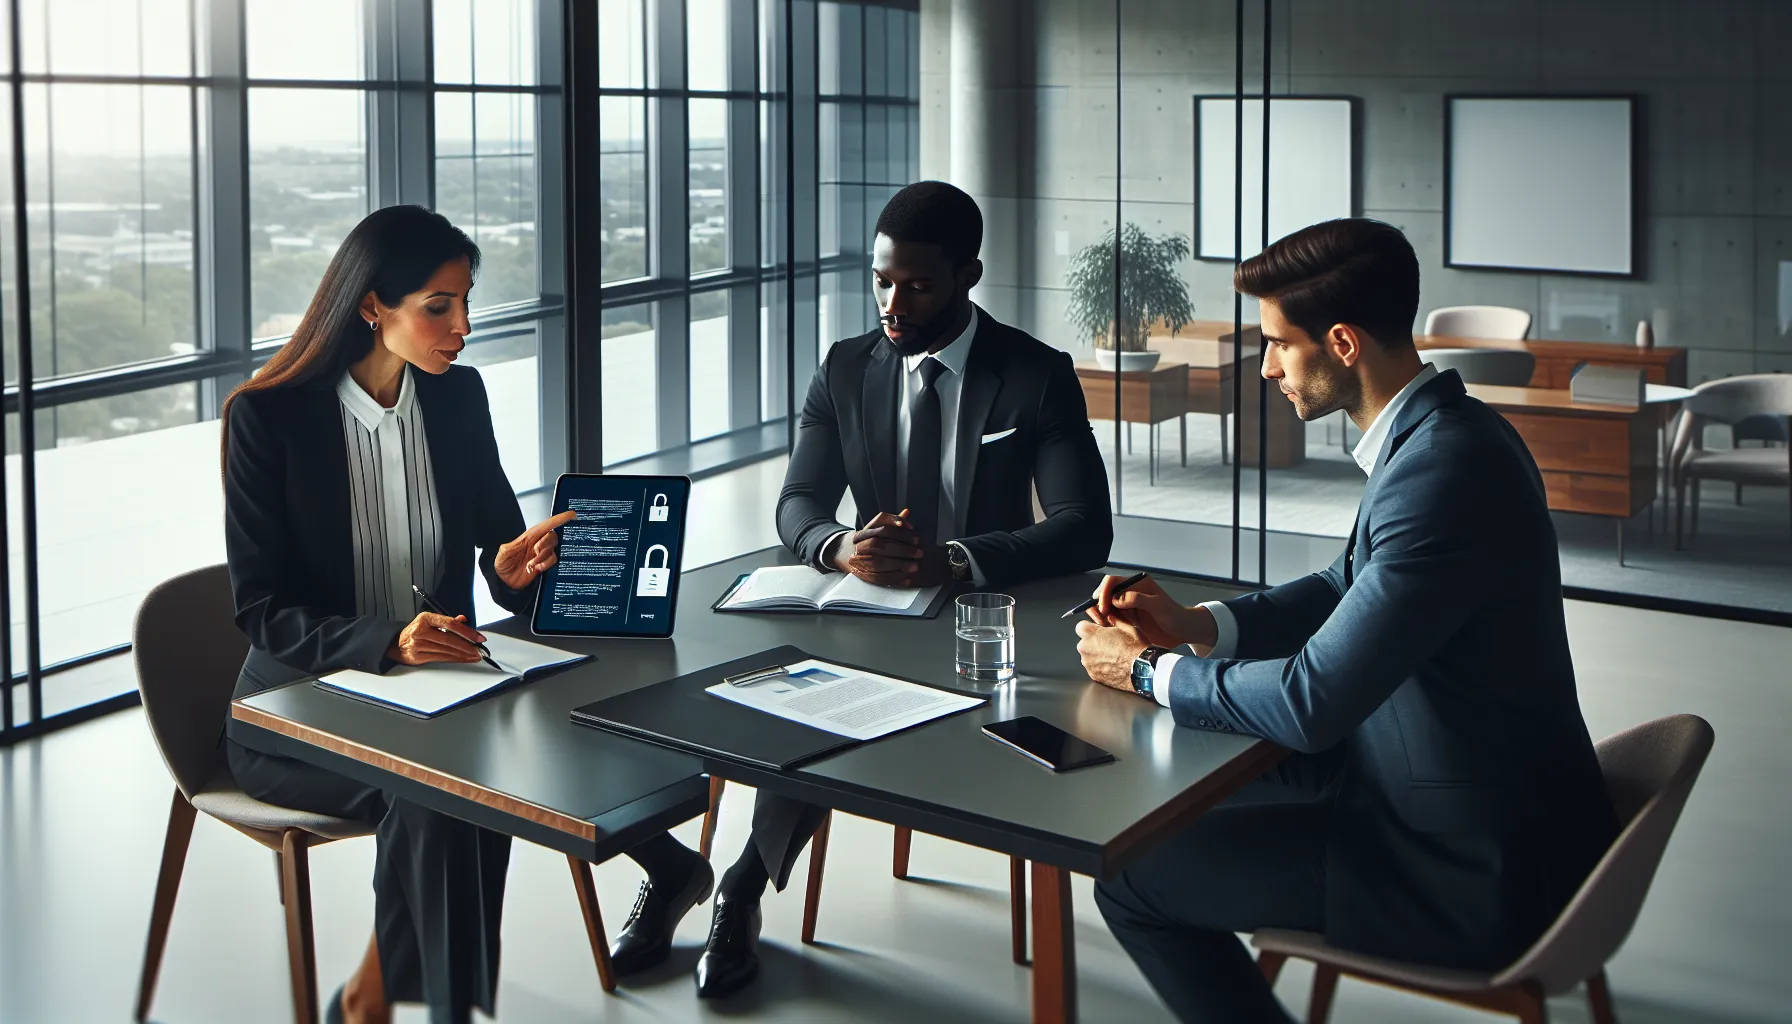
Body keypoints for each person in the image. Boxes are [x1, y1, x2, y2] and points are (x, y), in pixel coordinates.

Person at [1071, 218, 1620, 1023]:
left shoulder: (1442, 472)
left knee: (1130, 881)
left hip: (1465, 866)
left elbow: (1310, 702)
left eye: (1278, 346)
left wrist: (1148, 671)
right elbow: (1344, 584)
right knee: (1186, 787)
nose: (1264, 368)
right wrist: (1195, 624)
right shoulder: (1445, 433)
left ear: (1342, 342)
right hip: (1449, 789)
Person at [221, 205, 707, 1024]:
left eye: (466, 302)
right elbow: (262, 609)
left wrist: (513, 569)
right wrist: (388, 641)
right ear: (372, 305)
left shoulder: (456, 397)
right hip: (298, 707)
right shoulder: (269, 418)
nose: (463, 327)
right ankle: (405, 1004)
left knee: (489, 763)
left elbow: (496, 544)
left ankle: (399, 1000)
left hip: (437, 694)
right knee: (448, 792)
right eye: (439, 307)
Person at [687, 180, 1113, 998]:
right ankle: (738, 889)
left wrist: (954, 560)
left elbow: (1082, 526)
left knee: (829, 716)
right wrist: (840, 545)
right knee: (794, 708)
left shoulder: (1034, 375)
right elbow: (797, 503)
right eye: (882, 279)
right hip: (867, 616)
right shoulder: (845, 367)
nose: (893, 299)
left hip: (986, 628)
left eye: (916, 283)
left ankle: (738, 884)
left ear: (968, 275)